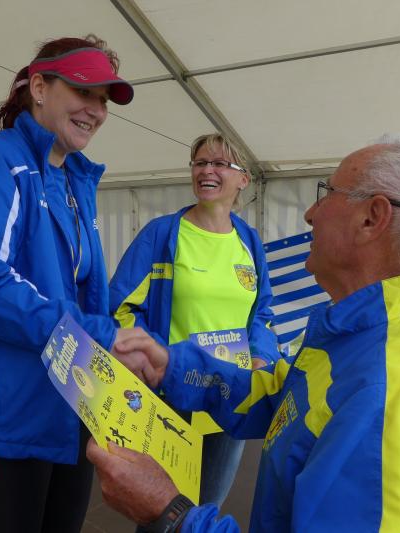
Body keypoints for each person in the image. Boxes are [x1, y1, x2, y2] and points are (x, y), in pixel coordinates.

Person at [97, 134, 400, 532]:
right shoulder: (368, 329)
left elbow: (261, 317)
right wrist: (174, 368)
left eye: (327, 193)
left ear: (372, 218)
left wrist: (172, 513)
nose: (310, 213)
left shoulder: (391, 394)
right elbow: (286, 395)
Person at [0, 35, 137, 533]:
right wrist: (101, 335)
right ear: (39, 88)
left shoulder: (76, 181)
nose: (96, 110)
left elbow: (81, 293)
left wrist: (114, 351)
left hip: (67, 409)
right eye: (83, 91)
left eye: (103, 99)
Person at [109, 133, 281, 507]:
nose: (206, 171)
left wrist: (261, 357)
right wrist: (158, 357)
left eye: (219, 163)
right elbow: (120, 308)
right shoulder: (162, 235)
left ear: (243, 179)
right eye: (200, 163)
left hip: (229, 392)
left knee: (206, 508)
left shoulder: (249, 242)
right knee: (160, 511)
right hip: (172, 393)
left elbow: (261, 314)